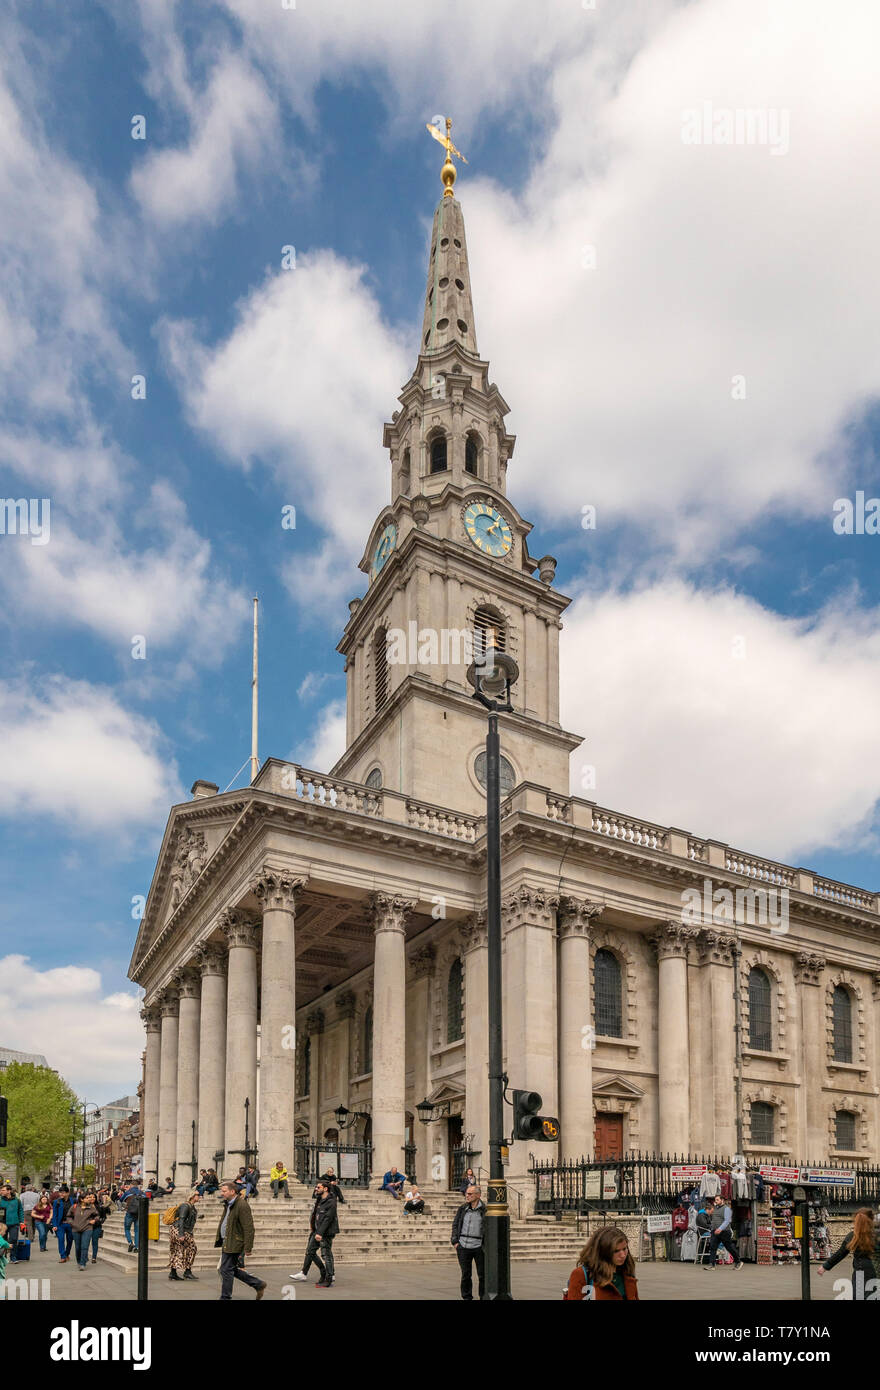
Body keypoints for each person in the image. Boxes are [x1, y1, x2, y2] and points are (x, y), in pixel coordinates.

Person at [214, 1179, 267, 1301]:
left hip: (234, 1242)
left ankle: (225, 1297)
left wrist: (248, 1247)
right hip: (228, 1241)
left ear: (233, 1191)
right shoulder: (229, 1203)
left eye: (224, 1191)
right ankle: (258, 1284)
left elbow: (249, 1228)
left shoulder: (242, 1205)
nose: (222, 1193)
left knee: (226, 1270)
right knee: (228, 1268)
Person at [289, 1180, 339, 1288]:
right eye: (316, 1187)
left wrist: (320, 1233)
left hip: (325, 1232)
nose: (316, 1189)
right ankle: (323, 1271)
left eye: (318, 1187)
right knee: (310, 1252)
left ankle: (329, 1277)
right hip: (316, 1231)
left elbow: (328, 1219)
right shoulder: (319, 1199)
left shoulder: (331, 1201)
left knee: (326, 1255)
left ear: (325, 1189)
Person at [565, 1227, 639, 1300]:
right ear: (603, 1252)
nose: (623, 1255)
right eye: (616, 1251)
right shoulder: (581, 1274)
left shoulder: (627, 1272)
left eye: (624, 1249)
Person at [818, 1208, 877, 1299]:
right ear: (872, 1220)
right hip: (876, 1271)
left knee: (859, 1297)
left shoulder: (853, 1236)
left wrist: (825, 1266)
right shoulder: (877, 1235)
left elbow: (840, 1253)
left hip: (860, 1273)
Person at [451, 1183, 485, 1300]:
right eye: (466, 1193)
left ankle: (484, 1296)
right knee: (466, 1275)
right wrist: (455, 1241)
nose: (467, 1196)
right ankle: (466, 1297)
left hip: (479, 1246)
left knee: (482, 1275)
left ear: (478, 1195)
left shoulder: (484, 1210)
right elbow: (455, 1224)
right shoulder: (463, 1208)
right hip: (463, 1246)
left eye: (470, 1194)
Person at [168, 1190, 200, 1282]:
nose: (199, 1196)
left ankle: (174, 1273)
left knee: (178, 1250)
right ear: (192, 1196)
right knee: (191, 1248)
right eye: (198, 1195)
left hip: (183, 1230)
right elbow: (181, 1219)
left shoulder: (192, 1207)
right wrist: (181, 1234)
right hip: (178, 1230)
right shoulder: (185, 1206)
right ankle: (187, 1272)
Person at [705, 1194, 743, 1270]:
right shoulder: (714, 1208)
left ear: (722, 1200)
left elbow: (727, 1221)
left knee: (729, 1247)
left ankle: (738, 1261)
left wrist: (720, 1229)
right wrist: (713, 1228)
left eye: (717, 1200)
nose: (716, 1201)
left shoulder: (727, 1209)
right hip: (715, 1231)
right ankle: (712, 1265)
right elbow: (713, 1218)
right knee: (712, 1247)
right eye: (715, 1200)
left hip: (724, 1231)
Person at [70, 1193, 101, 1271]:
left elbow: (97, 1215)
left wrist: (94, 1220)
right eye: (87, 1198)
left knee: (84, 1246)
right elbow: (68, 1216)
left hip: (87, 1228)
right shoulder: (74, 1207)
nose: (89, 1199)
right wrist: (72, 1223)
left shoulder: (91, 1207)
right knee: (78, 1247)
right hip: (76, 1229)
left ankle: (83, 1263)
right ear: (82, 1199)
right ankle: (79, 1261)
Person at [0, 1185, 23, 1264]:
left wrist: (21, 1221)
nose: (1, 1192)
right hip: (2, 1225)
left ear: (9, 1191)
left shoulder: (17, 1200)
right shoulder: (0, 1200)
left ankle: (13, 1257)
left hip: (14, 1223)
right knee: (3, 1241)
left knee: (13, 1240)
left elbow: (20, 1210)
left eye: (3, 1190)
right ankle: (3, 1257)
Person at [52, 1185, 73, 1261]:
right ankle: (62, 1256)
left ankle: (67, 1253)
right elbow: (54, 1215)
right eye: (60, 1192)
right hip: (60, 1224)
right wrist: (54, 1225)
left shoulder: (73, 1201)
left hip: (70, 1224)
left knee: (70, 1240)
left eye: (63, 1193)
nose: (61, 1194)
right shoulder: (56, 1202)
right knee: (61, 1239)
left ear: (68, 1193)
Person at [123, 1182, 143, 1252]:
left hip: (130, 1212)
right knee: (137, 1230)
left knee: (127, 1228)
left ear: (131, 1185)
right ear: (137, 1186)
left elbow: (121, 1199)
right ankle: (137, 1247)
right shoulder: (141, 1192)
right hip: (138, 1213)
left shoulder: (128, 1192)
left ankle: (130, 1243)